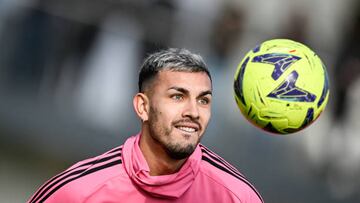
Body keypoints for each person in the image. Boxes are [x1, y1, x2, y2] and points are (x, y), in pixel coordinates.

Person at [27, 48, 264, 203]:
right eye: (177, 96)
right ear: (142, 107)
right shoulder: (79, 191)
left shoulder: (237, 196)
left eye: (203, 100)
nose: (193, 112)